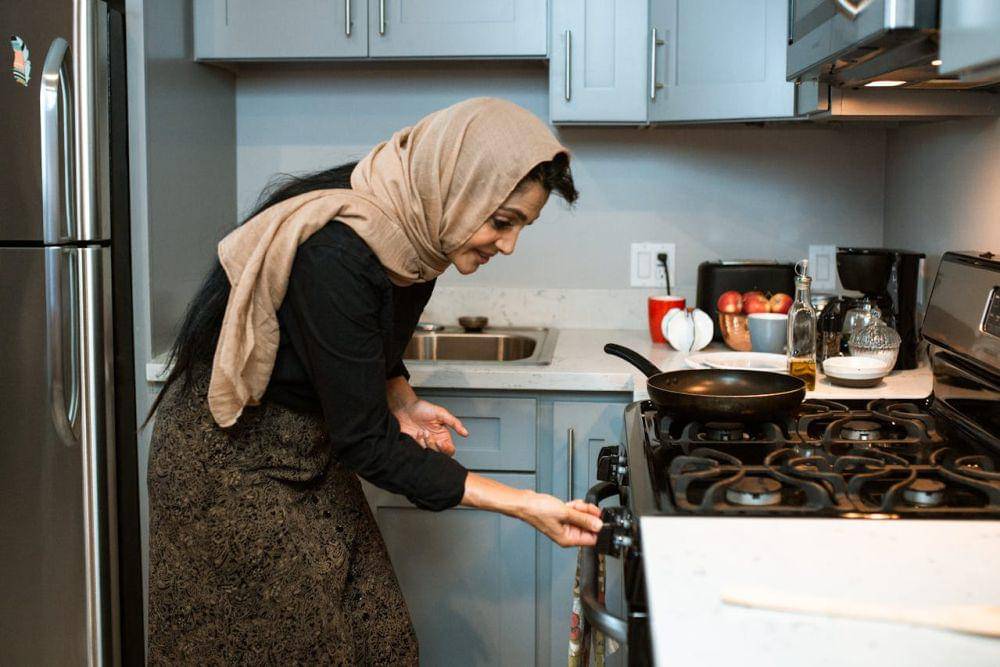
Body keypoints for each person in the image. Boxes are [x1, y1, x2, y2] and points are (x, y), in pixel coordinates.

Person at [146, 97, 603, 664]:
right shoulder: (337, 251)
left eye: (521, 228)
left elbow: (365, 343)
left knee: (381, 640)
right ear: (458, 190)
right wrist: (524, 505)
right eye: (502, 222)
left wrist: (401, 399)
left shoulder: (422, 241)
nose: (507, 245)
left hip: (309, 451)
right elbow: (366, 442)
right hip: (231, 463)